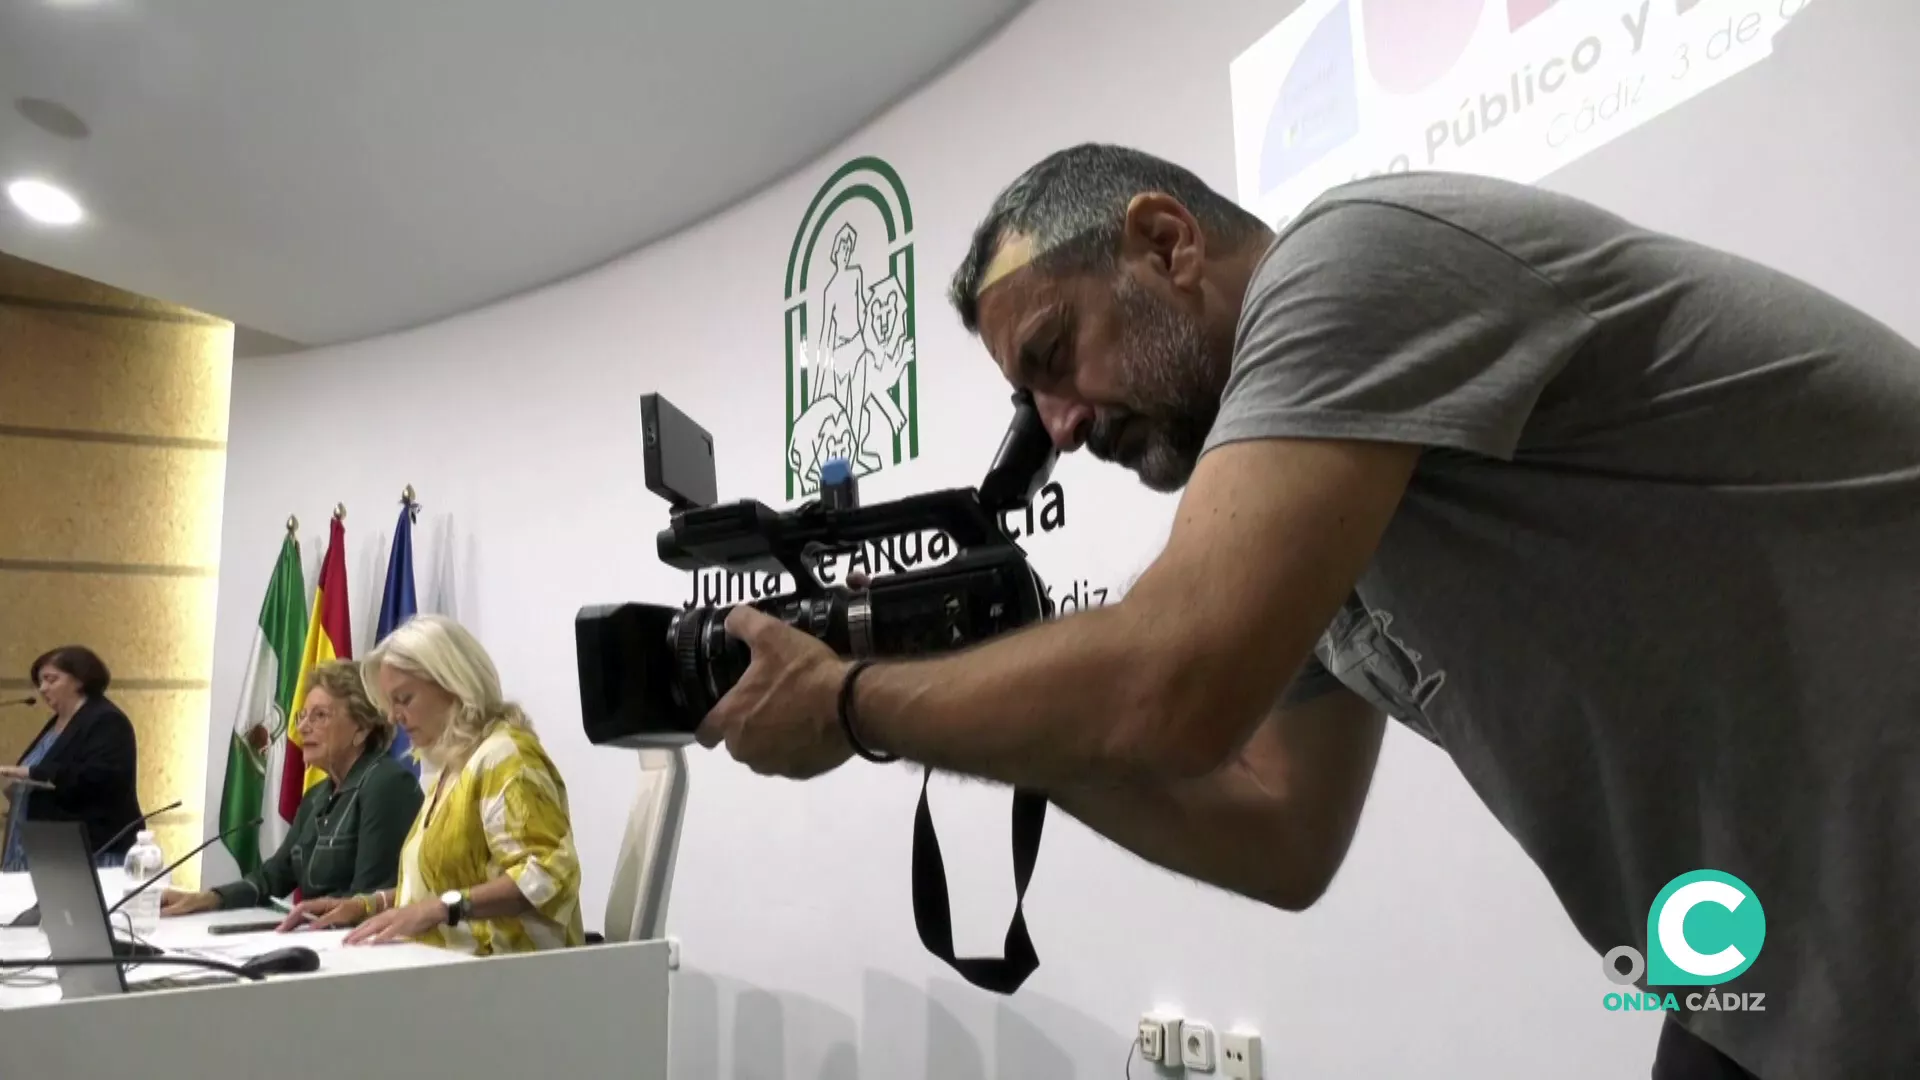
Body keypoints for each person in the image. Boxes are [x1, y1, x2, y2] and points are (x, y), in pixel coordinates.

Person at [690, 145, 1920, 1079]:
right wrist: (993, 713)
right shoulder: (1312, 514)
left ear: (1167, 242)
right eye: (1029, 402)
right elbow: (1281, 835)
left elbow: (1174, 684)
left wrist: (857, 705)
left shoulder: (1352, 260)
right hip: (1779, 957)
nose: (1058, 426)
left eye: (1056, 354)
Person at [279, 615, 584, 954]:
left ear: (453, 684)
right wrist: (367, 905)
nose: (393, 717)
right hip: (450, 972)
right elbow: (439, 891)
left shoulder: (507, 757)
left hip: (512, 980)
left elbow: (547, 875)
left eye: (404, 699)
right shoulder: (454, 769)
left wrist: (440, 908)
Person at [160, 660, 422, 917]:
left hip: (364, 949)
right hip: (320, 940)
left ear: (362, 728)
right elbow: (274, 876)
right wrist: (210, 898)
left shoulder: (387, 784)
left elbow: (369, 899)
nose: (303, 728)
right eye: (302, 716)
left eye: (320, 715)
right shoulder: (316, 797)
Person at [1, 646, 142, 869]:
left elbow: (98, 779)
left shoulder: (107, 721)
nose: (42, 688)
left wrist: (31, 773)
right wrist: (17, 789)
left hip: (89, 851)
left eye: (50, 680)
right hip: (38, 846)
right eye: (40, 682)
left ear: (79, 680)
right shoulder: (56, 724)